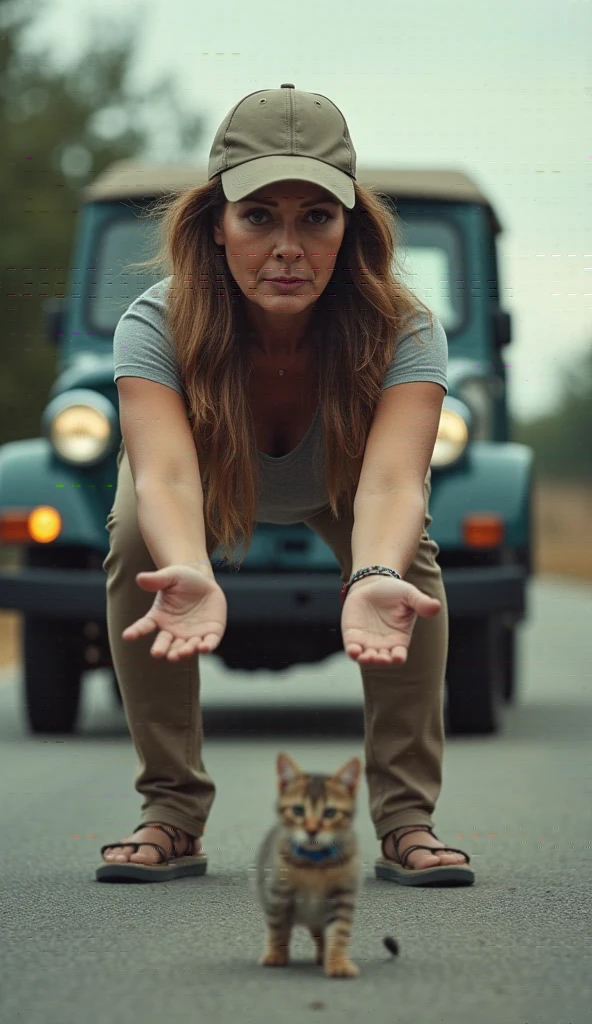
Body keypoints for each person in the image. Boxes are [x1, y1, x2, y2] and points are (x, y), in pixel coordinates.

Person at [97, 84, 474, 886]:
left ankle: (407, 819)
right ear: (215, 225)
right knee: (142, 541)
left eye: (317, 217)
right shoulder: (154, 322)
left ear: (351, 229)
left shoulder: (404, 329)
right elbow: (161, 473)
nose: (288, 246)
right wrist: (190, 569)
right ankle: (171, 811)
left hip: (348, 475)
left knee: (407, 572)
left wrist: (373, 574)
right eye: (259, 215)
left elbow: (395, 483)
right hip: (200, 477)